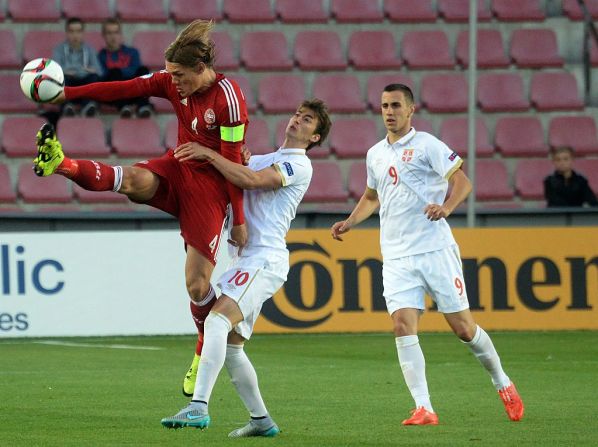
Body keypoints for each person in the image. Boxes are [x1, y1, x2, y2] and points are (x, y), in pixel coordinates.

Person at [34, 20, 248, 358]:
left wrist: (239, 220)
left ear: (201, 68)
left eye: (179, 75)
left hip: (211, 190)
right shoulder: (174, 84)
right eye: (170, 75)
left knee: (196, 285)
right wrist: (68, 94)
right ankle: (60, 163)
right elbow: (124, 88)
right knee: (133, 182)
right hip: (178, 167)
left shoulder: (228, 100)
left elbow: (234, 166)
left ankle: (203, 347)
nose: (173, 82)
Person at [330, 84, 524, 425]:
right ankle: (424, 407)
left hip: (434, 250)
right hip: (396, 256)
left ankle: (502, 382)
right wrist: (350, 221)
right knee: (402, 325)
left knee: (464, 329)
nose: (389, 111)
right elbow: (372, 196)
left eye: (395, 105)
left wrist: (447, 207)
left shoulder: (428, 145)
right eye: (384, 106)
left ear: (411, 110)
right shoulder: (375, 153)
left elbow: (462, 182)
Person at [160, 99, 332, 437]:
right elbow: (241, 171)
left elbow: (252, 181)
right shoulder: (269, 157)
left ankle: (198, 406)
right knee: (234, 347)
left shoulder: (300, 165)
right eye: (297, 113)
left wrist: (211, 155)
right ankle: (261, 420)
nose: (298, 119)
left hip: (264, 258)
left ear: (315, 137)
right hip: (247, 259)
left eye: (308, 120)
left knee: (216, 320)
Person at [98, 18, 153, 118]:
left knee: (143, 70)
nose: (113, 37)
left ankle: (142, 106)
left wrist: (120, 72)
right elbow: (103, 76)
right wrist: (121, 72)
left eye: (116, 32)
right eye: (109, 33)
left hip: (131, 90)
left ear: (120, 34)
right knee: (114, 73)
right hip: (114, 95)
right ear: (104, 36)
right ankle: (124, 106)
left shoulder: (132, 52)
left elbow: (136, 69)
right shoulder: (101, 55)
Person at [52, 17, 103, 117]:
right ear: (66, 33)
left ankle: (88, 107)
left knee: (93, 78)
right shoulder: (59, 49)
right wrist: (83, 70)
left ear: (83, 33)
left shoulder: (90, 49)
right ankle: (67, 107)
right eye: (71, 31)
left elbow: (99, 71)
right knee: (60, 79)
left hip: (84, 90)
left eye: (78, 31)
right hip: (68, 88)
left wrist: (71, 70)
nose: (75, 35)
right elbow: (55, 71)